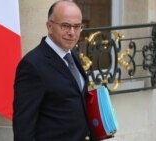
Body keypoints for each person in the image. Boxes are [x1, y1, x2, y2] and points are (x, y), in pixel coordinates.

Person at [13, 0, 97, 141]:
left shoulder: (72, 53)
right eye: (65, 26)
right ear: (49, 26)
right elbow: (23, 127)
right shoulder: (32, 65)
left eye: (77, 27)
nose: (72, 33)